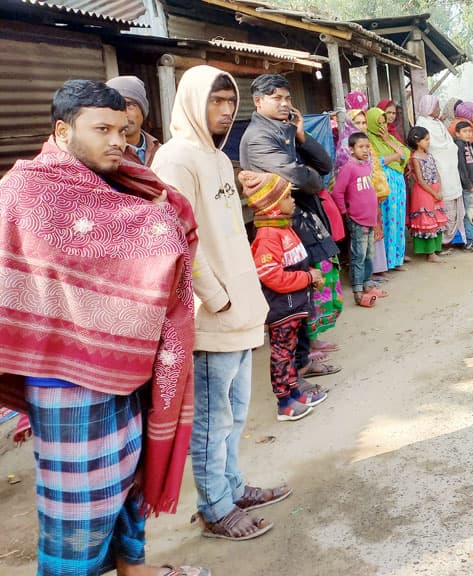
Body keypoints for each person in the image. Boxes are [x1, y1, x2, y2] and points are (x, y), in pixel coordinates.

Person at [0, 79, 205, 576]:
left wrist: (158, 222)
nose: (119, 141)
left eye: (123, 129)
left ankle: (134, 569)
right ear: (62, 130)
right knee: (79, 506)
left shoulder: (124, 180)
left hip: (130, 362)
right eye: (103, 129)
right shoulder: (27, 188)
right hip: (67, 379)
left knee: (127, 481)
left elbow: (163, 221)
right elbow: (107, 246)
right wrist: (154, 228)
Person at [151, 66, 284, 542]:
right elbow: (178, 240)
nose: (227, 111)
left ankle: (232, 488)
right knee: (213, 419)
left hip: (241, 308)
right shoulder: (175, 159)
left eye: (230, 101)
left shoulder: (219, 158)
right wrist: (217, 297)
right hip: (215, 313)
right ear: (190, 101)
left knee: (239, 412)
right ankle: (214, 507)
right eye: (215, 101)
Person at [239, 74, 338, 381]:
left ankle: (304, 357)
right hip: (280, 224)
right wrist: (314, 180)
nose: (284, 103)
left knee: (306, 287)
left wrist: (302, 136)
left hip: (297, 217)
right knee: (290, 296)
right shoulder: (257, 137)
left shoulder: (284, 130)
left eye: (286, 97)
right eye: (276, 98)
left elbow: (324, 165)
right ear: (258, 102)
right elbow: (299, 177)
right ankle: (293, 370)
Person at [245, 172, 327, 420]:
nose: (292, 201)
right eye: (287, 197)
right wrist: (308, 278)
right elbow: (271, 275)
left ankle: (294, 392)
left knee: (289, 353)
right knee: (281, 354)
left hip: (294, 306)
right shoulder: (268, 235)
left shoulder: (284, 229)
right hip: (282, 309)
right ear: (272, 205)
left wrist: (310, 275)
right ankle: (284, 402)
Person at [333, 130, 382, 306]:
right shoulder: (349, 168)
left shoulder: (366, 166)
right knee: (358, 255)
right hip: (357, 219)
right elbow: (337, 192)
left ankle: (368, 284)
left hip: (369, 219)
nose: (365, 150)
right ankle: (358, 289)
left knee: (369, 254)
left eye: (367, 146)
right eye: (361, 147)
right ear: (351, 149)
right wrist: (345, 213)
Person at [416, 94, 464, 251]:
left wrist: (450, 149)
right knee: (442, 208)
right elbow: (434, 148)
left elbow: (449, 144)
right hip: (439, 171)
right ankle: (442, 243)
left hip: (451, 171)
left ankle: (453, 240)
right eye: (436, 106)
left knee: (456, 207)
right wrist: (447, 149)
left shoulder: (439, 123)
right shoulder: (422, 124)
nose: (438, 109)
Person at [365, 107, 410, 269]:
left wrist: (388, 142)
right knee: (386, 221)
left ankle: (396, 259)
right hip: (383, 187)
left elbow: (405, 154)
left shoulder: (388, 137)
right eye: (379, 123)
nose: (383, 126)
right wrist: (395, 156)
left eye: (384, 122)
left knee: (397, 220)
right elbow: (377, 161)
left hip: (398, 185)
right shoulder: (368, 141)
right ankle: (386, 262)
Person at [406, 126, 448, 260]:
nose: (428, 142)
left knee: (437, 218)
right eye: (426, 139)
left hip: (435, 189)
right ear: (417, 141)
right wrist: (434, 193)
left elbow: (437, 173)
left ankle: (437, 248)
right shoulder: (415, 158)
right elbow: (420, 180)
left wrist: (439, 189)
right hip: (424, 192)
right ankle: (430, 253)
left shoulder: (429, 155)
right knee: (427, 220)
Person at [106, 75, 161, 166]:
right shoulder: (105, 155)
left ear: (143, 111)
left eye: (129, 105)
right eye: (116, 106)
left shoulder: (160, 150)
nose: (124, 113)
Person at [455, 120, 473, 248]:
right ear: (457, 133)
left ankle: (470, 239)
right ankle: (468, 241)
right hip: (468, 186)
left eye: (469, 131)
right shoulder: (459, 146)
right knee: (469, 213)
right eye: (464, 131)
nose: (468, 134)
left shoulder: (468, 145)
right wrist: (467, 183)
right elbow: (461, 166)